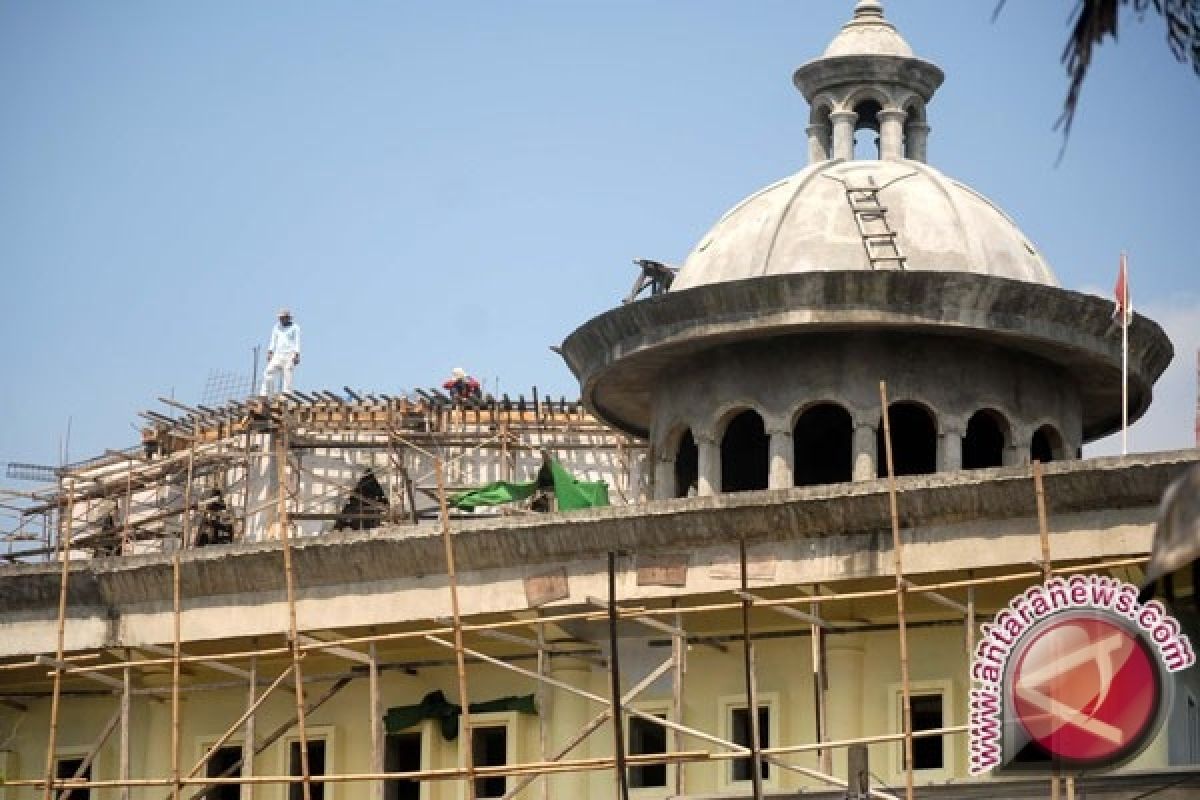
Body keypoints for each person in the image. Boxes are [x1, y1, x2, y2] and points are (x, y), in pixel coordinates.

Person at [260, 308, 301, 396]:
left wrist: (297, 355)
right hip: (278, 354)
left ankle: (286, 396)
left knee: (287, 375)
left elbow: (297, 341)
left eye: (283, 318)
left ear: (287, 318)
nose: (281, 320)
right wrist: (270, 352)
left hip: (289, 355)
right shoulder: (276, 327)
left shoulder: (295, 327)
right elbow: (273, 340)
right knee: (268, 372)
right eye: (280, 318)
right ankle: (266, 394)